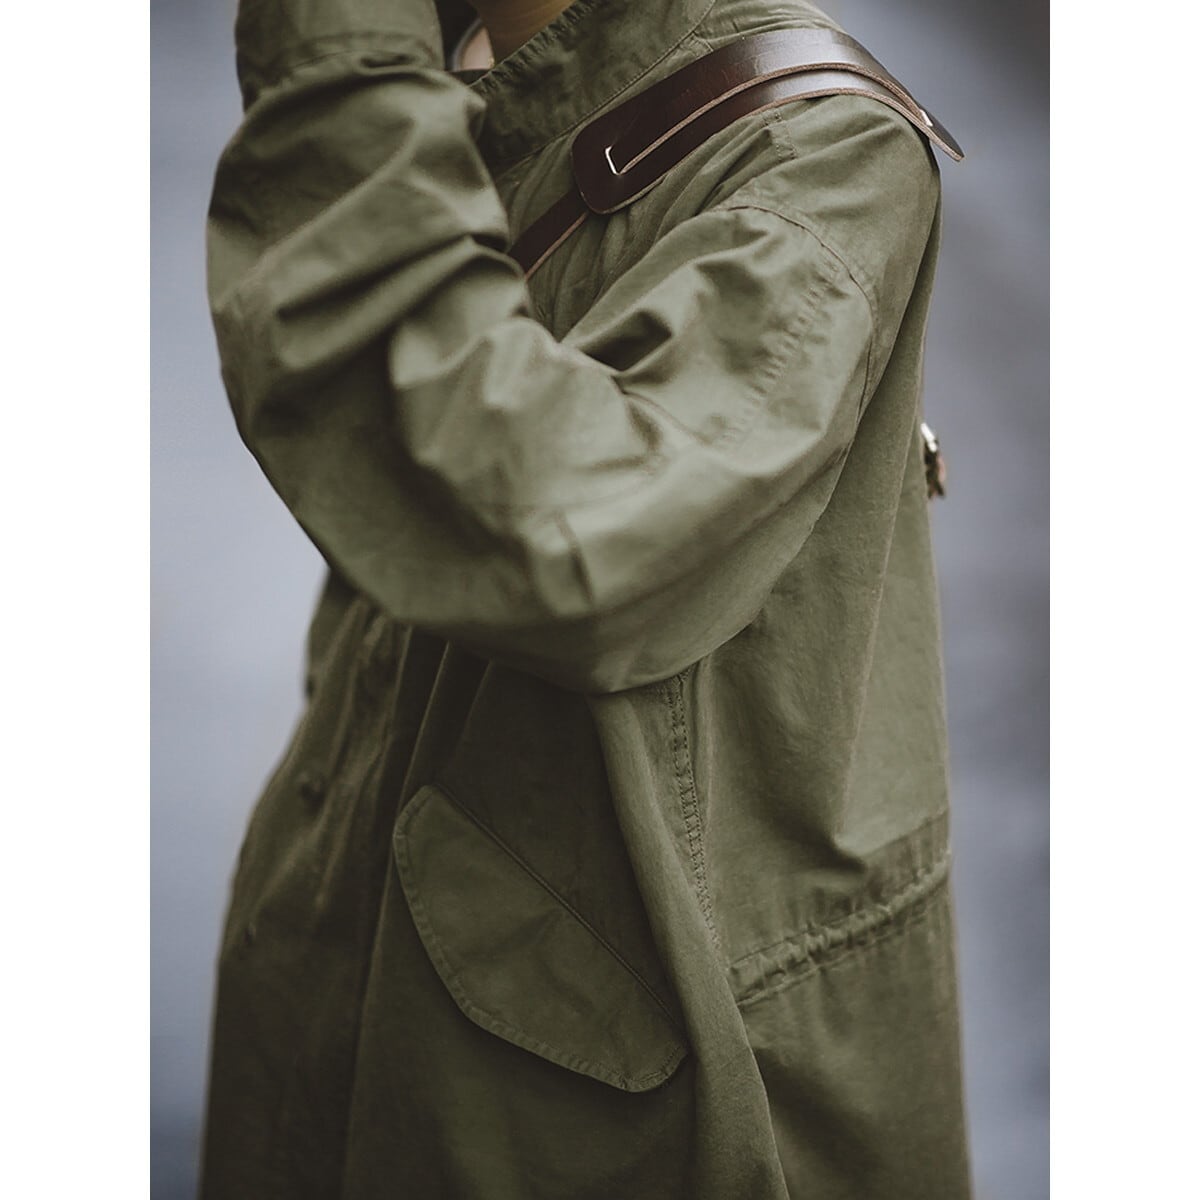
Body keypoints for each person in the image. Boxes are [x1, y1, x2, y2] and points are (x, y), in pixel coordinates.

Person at [199, 0, 973, 1196]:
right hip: (350, 987)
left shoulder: (815, 158)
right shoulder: (478, 75)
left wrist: (341, 53)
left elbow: (557, 540)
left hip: (595, 1113)